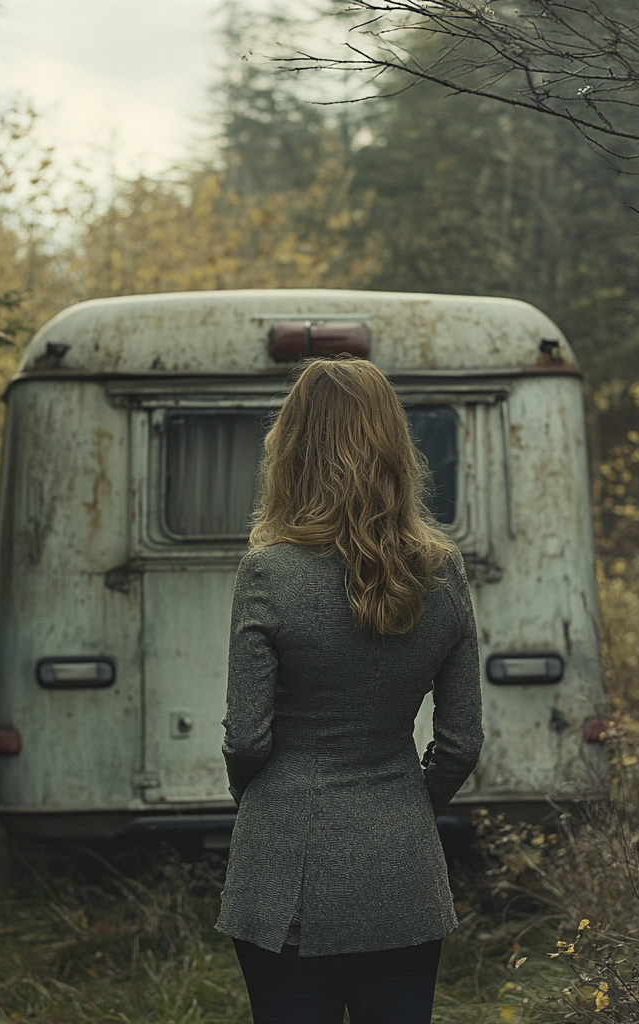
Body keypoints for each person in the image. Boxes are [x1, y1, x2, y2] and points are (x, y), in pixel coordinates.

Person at [215, 356, 484, 1024]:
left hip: (284, 872)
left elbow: (247, 738)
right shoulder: (443, 573)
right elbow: (461, 743)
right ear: (396, 447)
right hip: (403, 872)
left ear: (291, 452)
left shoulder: (267, 573)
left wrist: (260, 797)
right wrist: (405, 805)